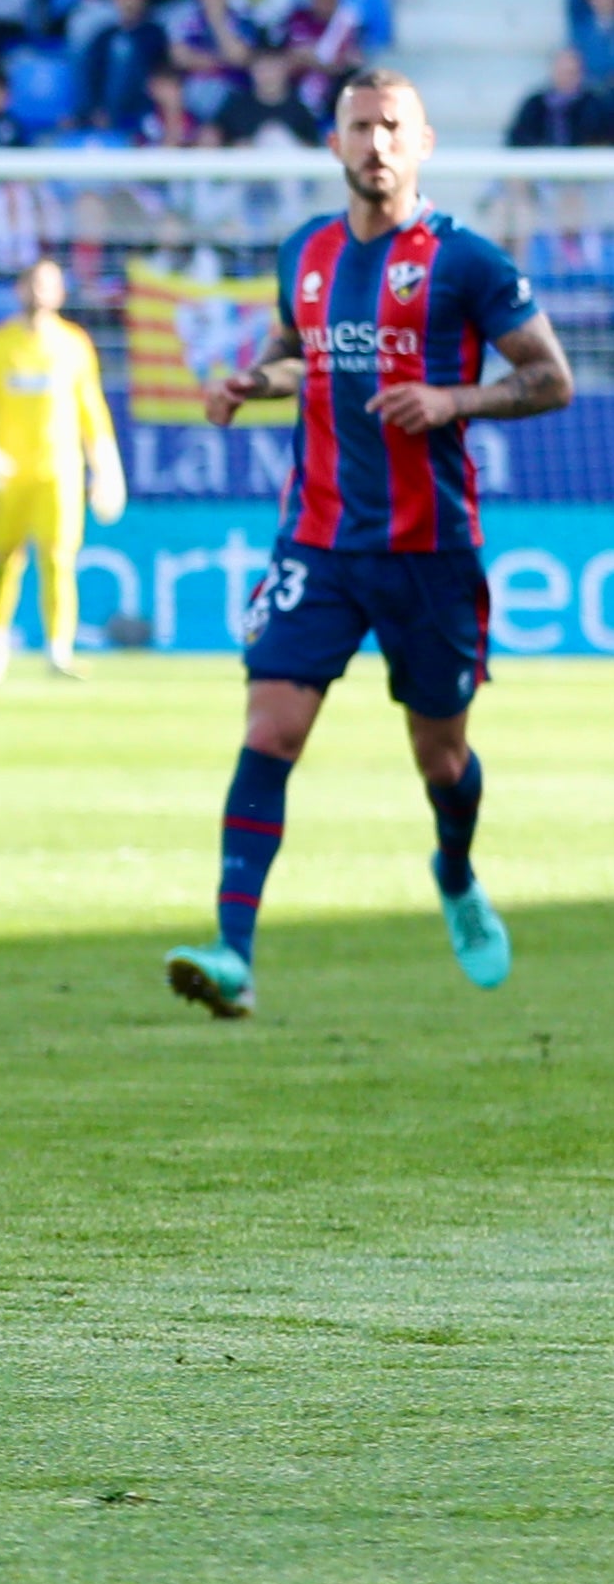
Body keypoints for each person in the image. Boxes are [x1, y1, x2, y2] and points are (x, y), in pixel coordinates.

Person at [165, 72, 573, 1021]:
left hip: (428, 551)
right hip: (316, 538)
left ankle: (456, 870)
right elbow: (296, 352)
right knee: (270, 727)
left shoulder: (466, 262)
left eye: (392, 127)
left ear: (422, 139)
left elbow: (550, 378)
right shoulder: (302, 252)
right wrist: (245, 385)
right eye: (360, 127)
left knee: (439, 755)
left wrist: (452, 400)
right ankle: (232, 954)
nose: (375, 143)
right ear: (334, 143)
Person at [0, 257, 122, 683]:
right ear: (20, 289)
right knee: (4, 560)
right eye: (32, 284)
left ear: (60, 292)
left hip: (59, 471)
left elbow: (91, 409)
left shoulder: (73, 344)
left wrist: (104, 464)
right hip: (9, 472)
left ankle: (58, 650)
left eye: (47, 285)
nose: (39, 293)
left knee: (58, 559)